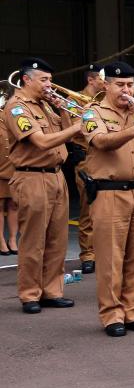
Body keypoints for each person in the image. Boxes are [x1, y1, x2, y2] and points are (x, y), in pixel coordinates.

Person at [81, 61, 134, 335]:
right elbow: (101, 142)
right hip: (110, 192)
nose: (127, 90)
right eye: (120, 85)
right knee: (111, 258)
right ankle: (112, 315)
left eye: (130, 85)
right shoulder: (92, 112)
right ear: (106, 85)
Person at [3, 58, 80, 314]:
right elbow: (42, 142)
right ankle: (29, 294)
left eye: (50, 80)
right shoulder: (17, 108)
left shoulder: (45, 105)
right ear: (26, 79)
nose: (50, 85)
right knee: (34, 241)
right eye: (44, 80)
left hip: (56, 175)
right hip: (32, 177)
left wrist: (66, 112)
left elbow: (70, 137)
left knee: (57, 239)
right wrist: (80, 124)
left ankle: (52, 291)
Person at [74, 64, 105, 273]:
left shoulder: (107, 98)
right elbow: (74, 126)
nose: (105, 82)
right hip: (86, 157)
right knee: (88, 209)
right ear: (91, 80)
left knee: (108, 210)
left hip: (107, 158)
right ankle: (88, 254)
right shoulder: (76, 99)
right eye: (102, 79)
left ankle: (105, 252)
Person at [0, 114, 18, 256]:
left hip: (14, 166)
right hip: (0, 167)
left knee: (14, 204)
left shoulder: (12, 114)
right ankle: (1, 240)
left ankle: (12, 239)